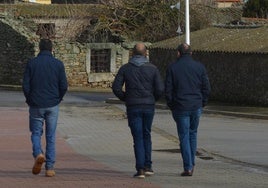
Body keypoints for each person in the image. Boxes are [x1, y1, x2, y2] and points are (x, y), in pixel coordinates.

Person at [112, 43, 164, 179]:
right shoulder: (153, 69)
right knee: (147, 134)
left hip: (133, 106)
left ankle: (140, 168)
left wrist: (126, 98)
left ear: (132, 53)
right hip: (148, 106)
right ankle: (148, 166)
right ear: (145, 53)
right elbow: (159, 89)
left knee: (138, 137)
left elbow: (116, 87)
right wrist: (152, 99)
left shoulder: (125, 69)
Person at [22, 39, 68, 177]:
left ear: (39, 48)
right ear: (51, 49)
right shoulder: (58, 64)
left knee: (36, 133)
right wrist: (58, 98)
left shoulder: (32, 63)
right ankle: (50, 167)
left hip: (36, 104)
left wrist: (29, 99)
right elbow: (64, 86)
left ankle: (38, 153)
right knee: (51, 136)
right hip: (52, 105)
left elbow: (25, 85)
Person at [165, 43, 211, 176]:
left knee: (184, 136)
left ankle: (188, 166)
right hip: (196, 105)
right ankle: (192, 163)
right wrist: (203, 102)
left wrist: (171, 104)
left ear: (178, 53)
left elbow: (168, 89)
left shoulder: (172, 68)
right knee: (193, 134)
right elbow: (206, 88)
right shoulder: (199, 67)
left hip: (180, 106)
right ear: (191, 53)